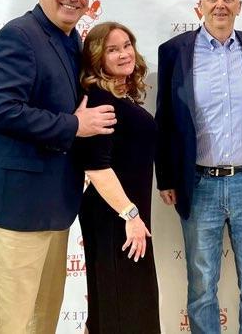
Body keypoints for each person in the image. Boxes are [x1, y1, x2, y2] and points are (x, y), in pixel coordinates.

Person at [0, 0, 116, 333]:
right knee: (8, 325)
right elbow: (0, 110)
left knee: (40, 322)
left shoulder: (70, 40)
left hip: (52, 207)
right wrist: (73, 125)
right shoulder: (19, 35)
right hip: (10, 206)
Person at [155, 0, 242, 334]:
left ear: (239, 6)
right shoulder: (174, 51)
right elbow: (165, 117)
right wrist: (166, 176)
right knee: (201, 289)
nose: (220, 4)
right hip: (199, 185)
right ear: (200, 6)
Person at [77, 22, 160, 333]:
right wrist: (130, 215)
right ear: (98, 58)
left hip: (125, 214)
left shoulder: (119, 96)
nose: (124, 53)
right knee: (125, 301)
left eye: (127, 45)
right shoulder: (101, 101)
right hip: (115, 216)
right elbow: (97, 167)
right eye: (113, 49)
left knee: (123, 299)